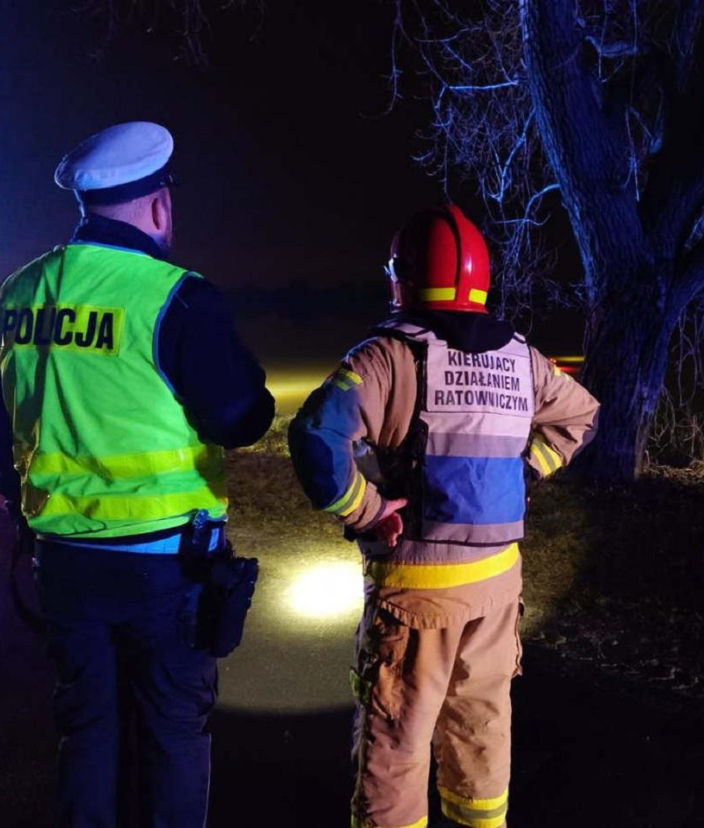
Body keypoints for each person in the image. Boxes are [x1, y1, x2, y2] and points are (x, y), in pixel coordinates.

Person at [0, 121, 274, 826]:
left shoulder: (16, 296)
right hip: (165, 567)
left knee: (86, 733)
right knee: (173, 736)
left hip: (63, 564)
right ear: (160, 204)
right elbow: (242, 417)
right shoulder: (177, 297)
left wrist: (25, 514)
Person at [288, 204, 599, 828]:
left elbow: (316, 439)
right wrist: (526, 469)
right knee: (482, 725)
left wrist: (368, 512)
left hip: (418, 590)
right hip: (497, 583)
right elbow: (580, 416)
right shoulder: (523, 356)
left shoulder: (387, 356)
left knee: (396, 741)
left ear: (401, 277)